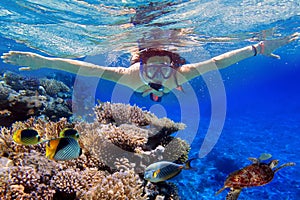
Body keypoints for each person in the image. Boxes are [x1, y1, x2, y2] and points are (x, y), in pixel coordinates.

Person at [1, 32, 299, 102]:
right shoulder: (131, 75)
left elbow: (220, 62)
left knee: (160, 90)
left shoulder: (178, 74)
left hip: (164, 84)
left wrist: (258, 48)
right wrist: (40, 60)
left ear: (174, 63)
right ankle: (155, 94)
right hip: (152, 82)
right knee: (156, 90)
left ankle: (156, 95)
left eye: (165, 68)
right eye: (152, 68)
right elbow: (82, 68)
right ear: (141, 63)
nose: (160, 72)